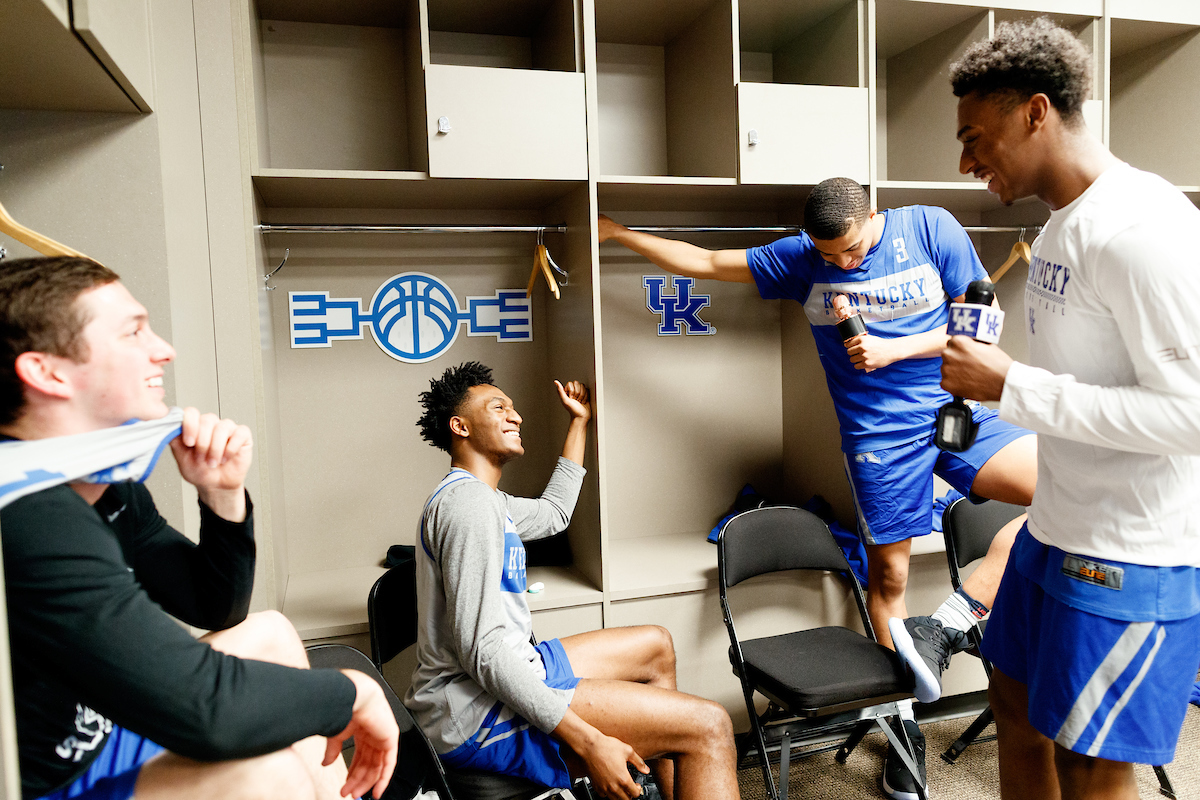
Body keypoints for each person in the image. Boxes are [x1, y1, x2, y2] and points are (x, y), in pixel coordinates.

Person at [599, 184, 1037, 800]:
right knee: (887, 584)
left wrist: (895, 347)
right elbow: (704, 261)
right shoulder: (802, 257)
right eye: (828, 255)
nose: (840, 264)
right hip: (878, 440)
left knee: (1067, 496)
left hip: (955, 410)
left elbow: (982, 328)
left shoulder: (931, 228)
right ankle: (902, 732)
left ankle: (952, 620)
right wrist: (618, 234)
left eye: (851, 250)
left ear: (873, 217)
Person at [0, 257, 399, 800]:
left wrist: (221, 493)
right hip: (49, 777)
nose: (163, 349)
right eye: (134, 331)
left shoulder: (104, 485)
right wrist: (353, 693)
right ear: (47, 372)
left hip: (99, 725)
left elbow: (213, 608)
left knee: (274, 633)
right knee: (270, 774)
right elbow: (208, 709)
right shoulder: (30, 514)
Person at [943, 18, 1200, 800]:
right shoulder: (1060, 226)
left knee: (1092, 760)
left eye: (974, 136)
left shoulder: (1142, 229)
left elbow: (1191, 414)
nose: (965, 160)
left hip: (1129, 551)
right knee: (1014, 708)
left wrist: (1010, 388)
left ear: (1036, 111)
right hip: (1054, 530)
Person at [409, 361, 739, 800]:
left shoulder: (485, 499)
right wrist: (588, 739)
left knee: (655, 645)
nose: (516, 416)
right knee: (710, 725)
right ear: (460, 426)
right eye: (499, 407)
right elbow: (482, 652)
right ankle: (689, 750)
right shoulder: (466, 506)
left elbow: (554, 514)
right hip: (473, 712)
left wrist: (579, 422)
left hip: (508, 666)